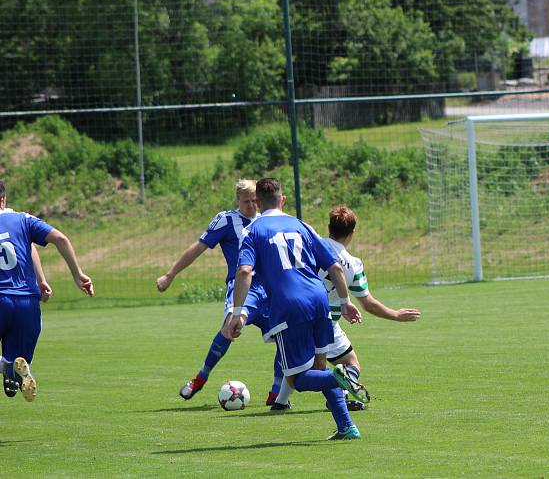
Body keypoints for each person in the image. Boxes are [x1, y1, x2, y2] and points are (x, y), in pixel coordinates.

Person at [224, 178, 368, 441]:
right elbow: (335, 266)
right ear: (283, 199)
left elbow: (244, 270)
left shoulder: (253, 230)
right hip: (319, 300)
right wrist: (346, 301)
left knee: (298, 379)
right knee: (320, 366)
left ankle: (341, 380)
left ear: (257, 202)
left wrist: (236, 312)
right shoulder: (302, 225)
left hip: (289, 307)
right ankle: (347, 427)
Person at [270, 205, 421, 411]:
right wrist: (396, 314)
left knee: (299, 364)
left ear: (329, 227)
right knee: (351, 364)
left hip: (296, 312)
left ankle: (280, 402)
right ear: (352, 233)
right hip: (326, 322)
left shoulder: (311, 246)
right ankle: (339, 392)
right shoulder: (354, 264)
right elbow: (368, 303)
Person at [156, 179, 268, 400]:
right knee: (229, 328)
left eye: (255, 201)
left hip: (269, 288)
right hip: (242, 286)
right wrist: (170, 275)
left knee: (287, 334)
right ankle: (200, 378)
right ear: (237, 200)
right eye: (247, 201)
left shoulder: (267, 220)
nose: (252, 205)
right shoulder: (226, 220)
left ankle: (277, 395)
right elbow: (198, 248)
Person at [0, 180, 94, 401]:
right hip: (27, 304)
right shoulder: (23, 220)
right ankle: (12, 368)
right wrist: (75, 274)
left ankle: (6, 366)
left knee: (8, 364)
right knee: (16, 365)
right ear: (3, 198)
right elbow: (59, 238)